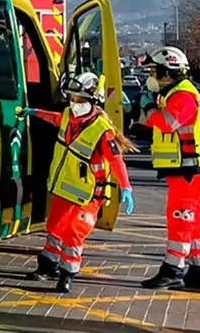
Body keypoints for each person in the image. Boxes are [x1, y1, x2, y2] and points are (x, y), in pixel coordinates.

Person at [20, 72, 136, 293]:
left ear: (92, 101)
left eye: (80, 100)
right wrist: (34, 112)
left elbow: (116, 161)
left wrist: (126, 187)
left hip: (90, 193)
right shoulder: (67, 116)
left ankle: (67, 274)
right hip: (64, 187)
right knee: (54, 227)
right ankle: (47, 266)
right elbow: (55, 118)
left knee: (74, 232)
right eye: (72, 98)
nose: (75, 103)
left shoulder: (102, 130)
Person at [137, 46, 200, 290]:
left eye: (153, 71)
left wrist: (150, 107)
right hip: (191, 169)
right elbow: (151, 122)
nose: (151, 76)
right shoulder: (173, 93)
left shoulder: (182, 95)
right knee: (194, 221)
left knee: (180, 219)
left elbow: (166, 123)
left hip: (190, 170)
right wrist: (142, 109)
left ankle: (173, 269)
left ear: (167, 71)